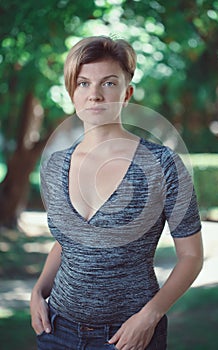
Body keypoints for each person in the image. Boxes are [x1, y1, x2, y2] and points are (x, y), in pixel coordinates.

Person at [30, 36, 203, 350]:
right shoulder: (56, 166)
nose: (94, 95)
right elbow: (66, 240)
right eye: (83, 83)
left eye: (108, 83)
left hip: (129, 335)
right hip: (57, 330)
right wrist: (38, 291)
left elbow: (191, 257)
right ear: (72, 93)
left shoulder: (163, 165)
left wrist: (149, 316)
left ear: (127, 94)